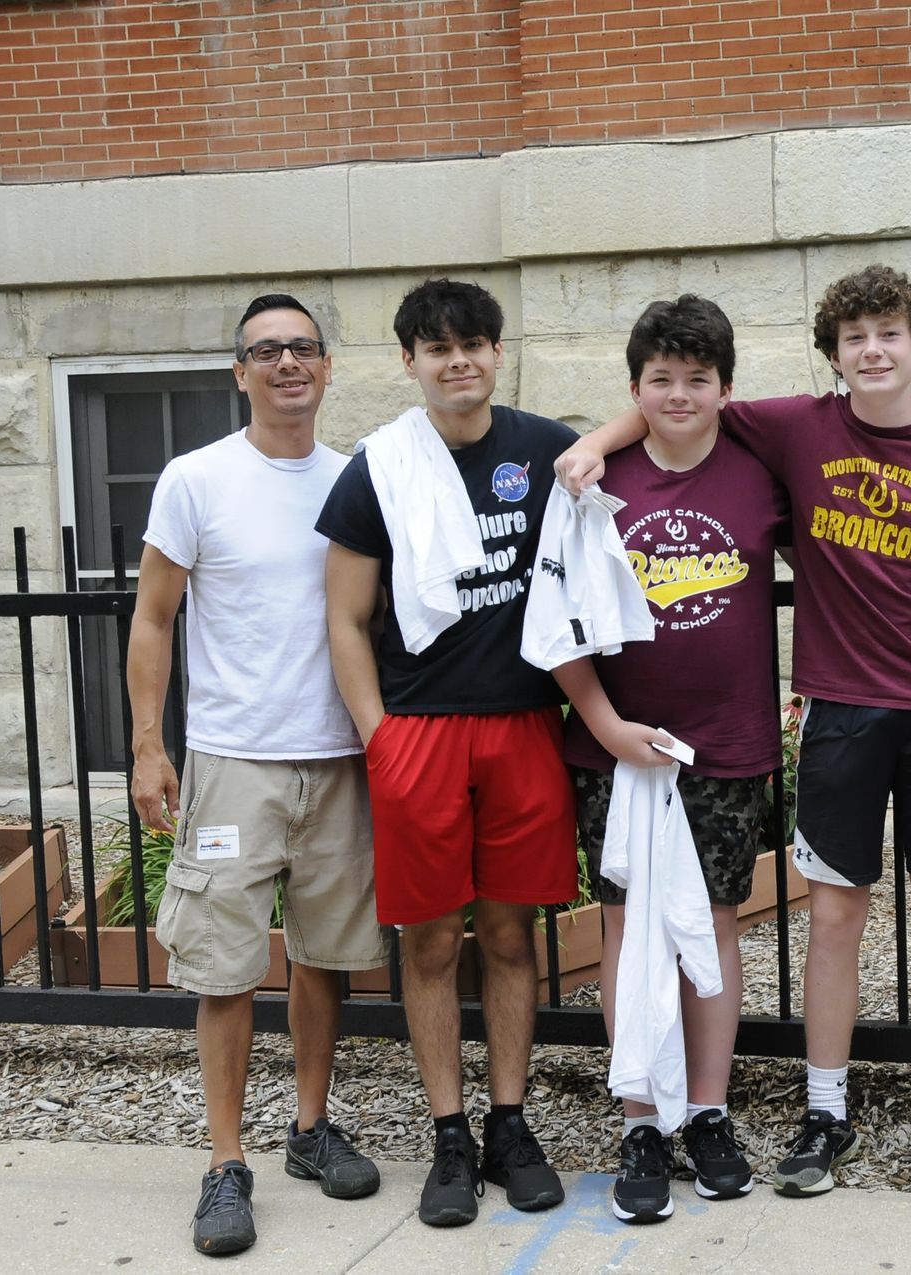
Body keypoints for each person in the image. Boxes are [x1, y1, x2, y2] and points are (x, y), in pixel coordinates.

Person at [556, 264, 911, 1208]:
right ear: (833, 354)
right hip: (827, 711)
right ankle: (811, 1108)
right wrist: (595, 440)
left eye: (890, 333)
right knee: (810, 916)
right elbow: (671, 399)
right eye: (854, 337)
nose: (873, 350)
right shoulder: (793, 429)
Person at [127, 293, 390, 1256]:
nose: (287, 363)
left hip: (338, 757)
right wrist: (150, 746)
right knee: (227, 967)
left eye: (303, 348)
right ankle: (224, 1162)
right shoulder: (196, 479)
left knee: (325, 955)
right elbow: (154, 617)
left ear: (325, 366)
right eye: (266, 351)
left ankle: (311, 1128)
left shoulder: (358, 477)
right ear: (238, 372)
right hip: (234, 758)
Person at [317, 278, 579, 1228]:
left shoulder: (548, 448)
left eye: (474, 344)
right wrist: (379, 736)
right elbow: (346, 619)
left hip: (520, 724)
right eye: (438, 348)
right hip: (419, 729)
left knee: (509, 935)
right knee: (429, 941)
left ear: (497, 353)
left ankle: (511, 1122)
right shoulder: (377, 469)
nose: (458, 360)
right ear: (411, 363)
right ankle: (450, 1134)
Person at [552, 295, 784, 1224]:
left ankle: (709, 1110)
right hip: (616, 747)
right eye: (660, 381)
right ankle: (642, 1114)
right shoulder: (593, 483)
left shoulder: (762, 474)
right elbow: (557, 619)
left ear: (726, 386)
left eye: (697, 379)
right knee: (625, 929)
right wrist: (603, 721)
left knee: (714, 924)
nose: (679, 395)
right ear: (635, 387)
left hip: (726, 744)